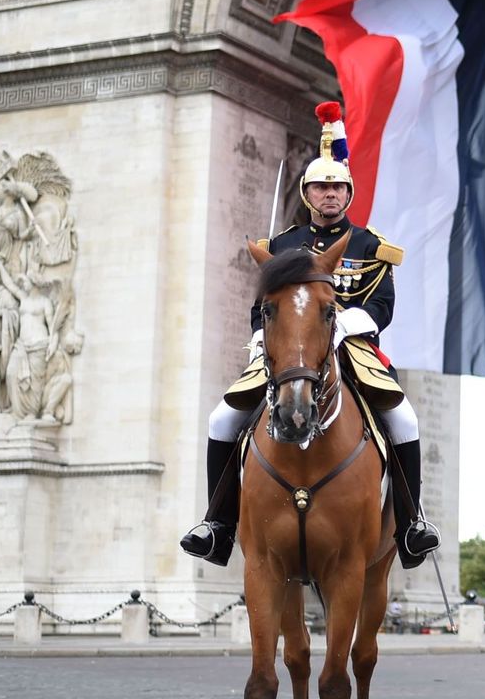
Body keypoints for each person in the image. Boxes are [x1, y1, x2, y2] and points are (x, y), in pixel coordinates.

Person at [181, 103, 442, 568]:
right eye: (321, 186)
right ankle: (217, 525)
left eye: (338, 187)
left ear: (348, 194)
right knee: (221, 420)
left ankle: (410, 524)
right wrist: (262, 337)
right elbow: (261, 306)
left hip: (352, 351)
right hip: (286, 354)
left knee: (406, 421)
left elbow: (382, 306)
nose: (330, 194)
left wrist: (341, 324)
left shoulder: (369, 245)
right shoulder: (280, 246)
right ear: (306, 192)